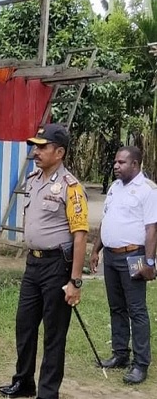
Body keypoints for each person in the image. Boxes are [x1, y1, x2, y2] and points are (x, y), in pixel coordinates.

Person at [0, 123, 88, 399]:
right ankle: (24, 382)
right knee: (24, 325)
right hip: (33, 265)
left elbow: (81, 236)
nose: (36, 151)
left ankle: (48, 392)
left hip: (57, 266)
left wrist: (75, 281)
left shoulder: (71, 187)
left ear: (59, 152)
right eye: (35, 146)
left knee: (54, 333)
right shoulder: (34, 179)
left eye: (42, 147)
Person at [89, 146, 157, 384]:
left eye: (121, 162)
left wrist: (149, 262)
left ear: (136, 164)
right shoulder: (115, 188)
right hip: (111, 255)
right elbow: (106, 220)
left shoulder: (148, 190)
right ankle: (120, 354)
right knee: (116, 306)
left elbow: (151, 230)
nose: (116, 166)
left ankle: (140, 364)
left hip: (134, 255)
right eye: (116, 162)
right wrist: (96, 249)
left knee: (136, 310)